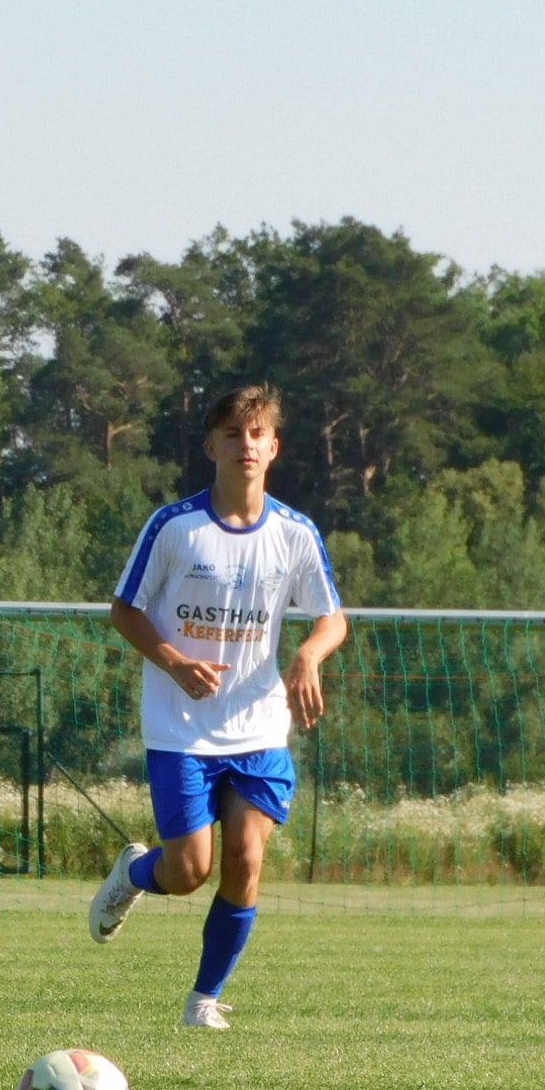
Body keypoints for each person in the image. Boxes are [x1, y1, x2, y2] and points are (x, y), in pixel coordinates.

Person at [86, 384, 348, 1027]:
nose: (246, 445)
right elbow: (124, 610)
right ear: (211, 446)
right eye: (233, 434)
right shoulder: (175, 527)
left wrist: (309, 654)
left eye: (258, 434)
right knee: (189, 871)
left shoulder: (294, 533)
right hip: (180, 729)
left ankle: (203, 1000)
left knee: (246, 858)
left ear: (274, 447)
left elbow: (332, 618)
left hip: (258, 726)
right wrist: (175, 662)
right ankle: (135, 874)